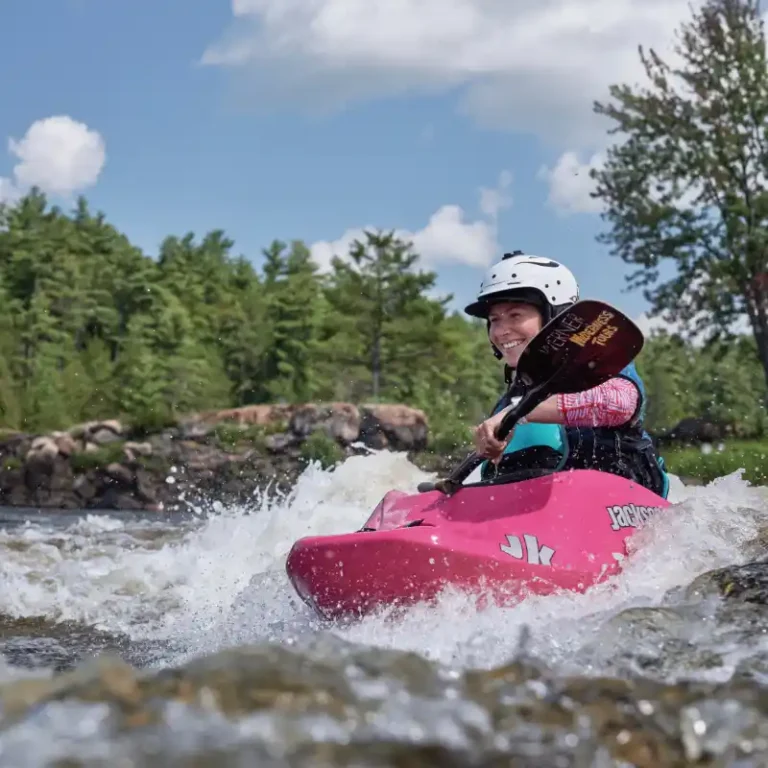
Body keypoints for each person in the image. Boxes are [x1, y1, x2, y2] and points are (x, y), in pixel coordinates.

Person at [464, 250, 669, 498]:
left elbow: (620, 403)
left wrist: (516, 414)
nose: (501, 331)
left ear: (555, 315)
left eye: (515, 315)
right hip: (536, 525)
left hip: (623, 508)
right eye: (494, 320)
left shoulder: (599, 362)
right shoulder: (511, 397)